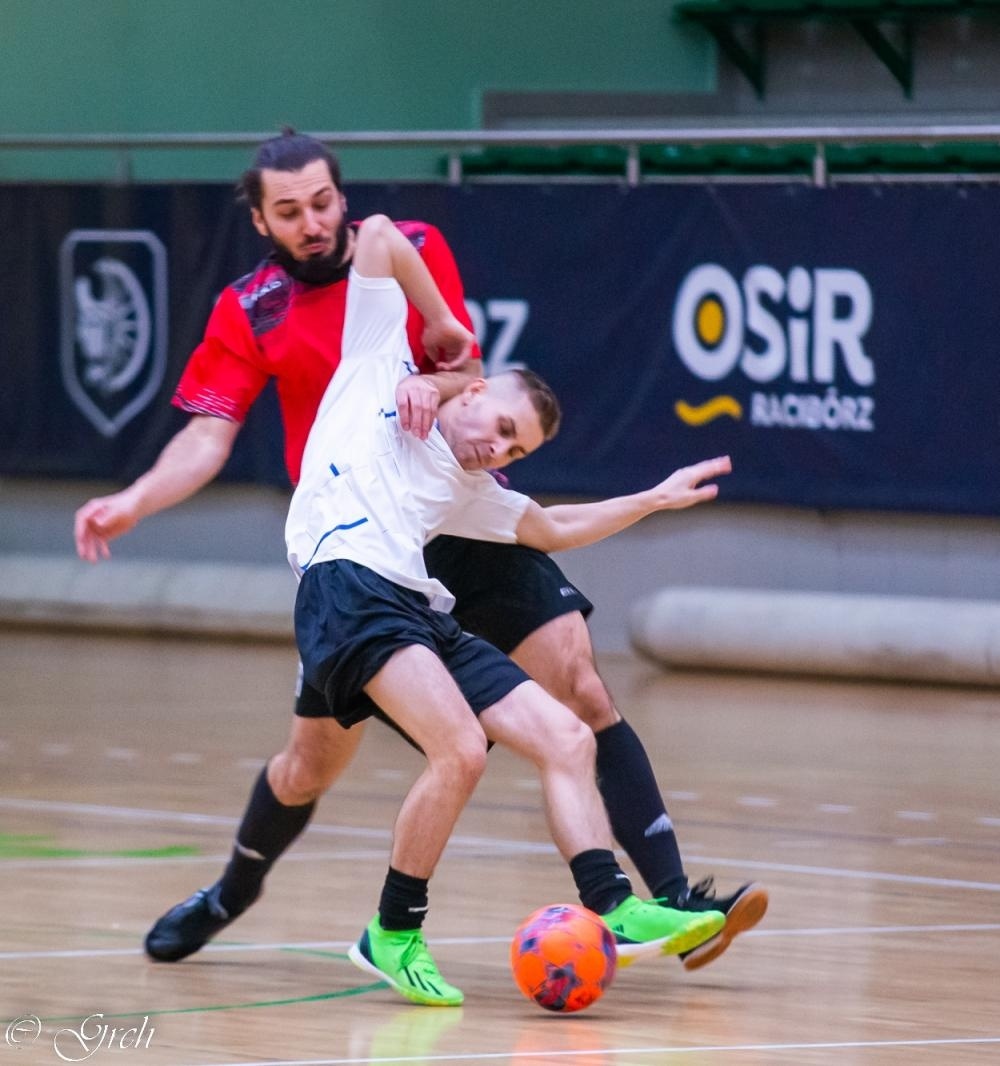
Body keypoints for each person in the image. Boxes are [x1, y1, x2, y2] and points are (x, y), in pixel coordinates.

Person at [73, 129, 766, 968]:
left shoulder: (402, 254)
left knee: (577, 683)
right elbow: (206, 438)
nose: (312, 221)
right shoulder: (249, 308)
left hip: (454, 497)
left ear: (342, 196)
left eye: (324, 201)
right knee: (310, 764)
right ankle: (231, 892)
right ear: (260, 221)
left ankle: (670, 903)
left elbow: (462, 365)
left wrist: (429, 378)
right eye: (289, 211)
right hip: (361, 549)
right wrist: (134, 502)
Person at [287, 212, 729, 1004]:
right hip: (344, 584)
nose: (498, 449)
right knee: (460, 748)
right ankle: (392, 931)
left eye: (516, 450)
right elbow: (384, 233)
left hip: (415, 603)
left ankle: (615, 908)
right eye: (500, 427)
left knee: (564, 735)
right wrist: (443, 323)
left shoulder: (469, 489)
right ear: (478, 391)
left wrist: (655, 499)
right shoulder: (377, 365)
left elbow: (553, 527)